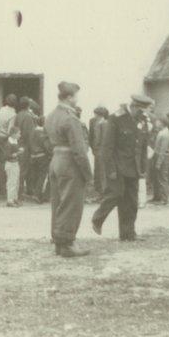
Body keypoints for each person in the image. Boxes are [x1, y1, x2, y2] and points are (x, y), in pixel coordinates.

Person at [92, 94, 152, 241]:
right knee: (115, 194)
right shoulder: (116, 119)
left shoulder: (142, 120)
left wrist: (143, 168)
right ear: (133, 106)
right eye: (140, 110)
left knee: (131, 202)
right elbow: (107, 147)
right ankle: (97, 219)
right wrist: (110, 169)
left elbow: (143, 146)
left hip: (133, 167)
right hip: (118, 166)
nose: (143, 114)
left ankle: (128, 234)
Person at [46, 81, 92, 257]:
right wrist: (88, 173)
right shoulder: (70, 118)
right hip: (69, 162)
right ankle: (67, 244)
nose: (77, 99)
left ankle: (59, 242)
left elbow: (47, 140)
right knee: (71, 203)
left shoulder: (51, 116)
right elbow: (79, 150)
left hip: (55, 159)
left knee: (58, 202)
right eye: (76, 96)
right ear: (69, 97)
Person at [13, 97, 36, 199]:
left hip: (18, 144)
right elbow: (30, 134)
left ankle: (26, 191)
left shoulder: (18, 115)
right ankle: (20, 193)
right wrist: (33, 149)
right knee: (23, 170)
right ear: (28, 105)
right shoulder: (28, 116)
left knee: (22, 169)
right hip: (25, 146)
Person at [0, 94, 18, 197]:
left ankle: (0, 189)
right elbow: (10, 131)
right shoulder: (13, 114)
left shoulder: (1, 110)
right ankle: (4, 190)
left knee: (0, 164)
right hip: (5, 139)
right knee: (6, 164)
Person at [29, 113, 52, 203]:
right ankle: (37, 194)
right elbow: (46, 146)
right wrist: (51, 153)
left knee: (35, 175)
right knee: (42, 176)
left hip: (33, 156)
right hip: (42, 156)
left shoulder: (32, 131)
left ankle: (35, 192)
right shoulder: (42, 133)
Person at [89, 107, 109, 199]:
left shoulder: (100, 124)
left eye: (96, 114)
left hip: (100, 151)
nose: (95, 116)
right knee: (101, 172)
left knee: (101, 172)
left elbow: (98, 138)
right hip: (102, 151)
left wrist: (95, 148)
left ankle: (103, 193)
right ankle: (102, 192)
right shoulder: (106, 123)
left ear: (99, 114)